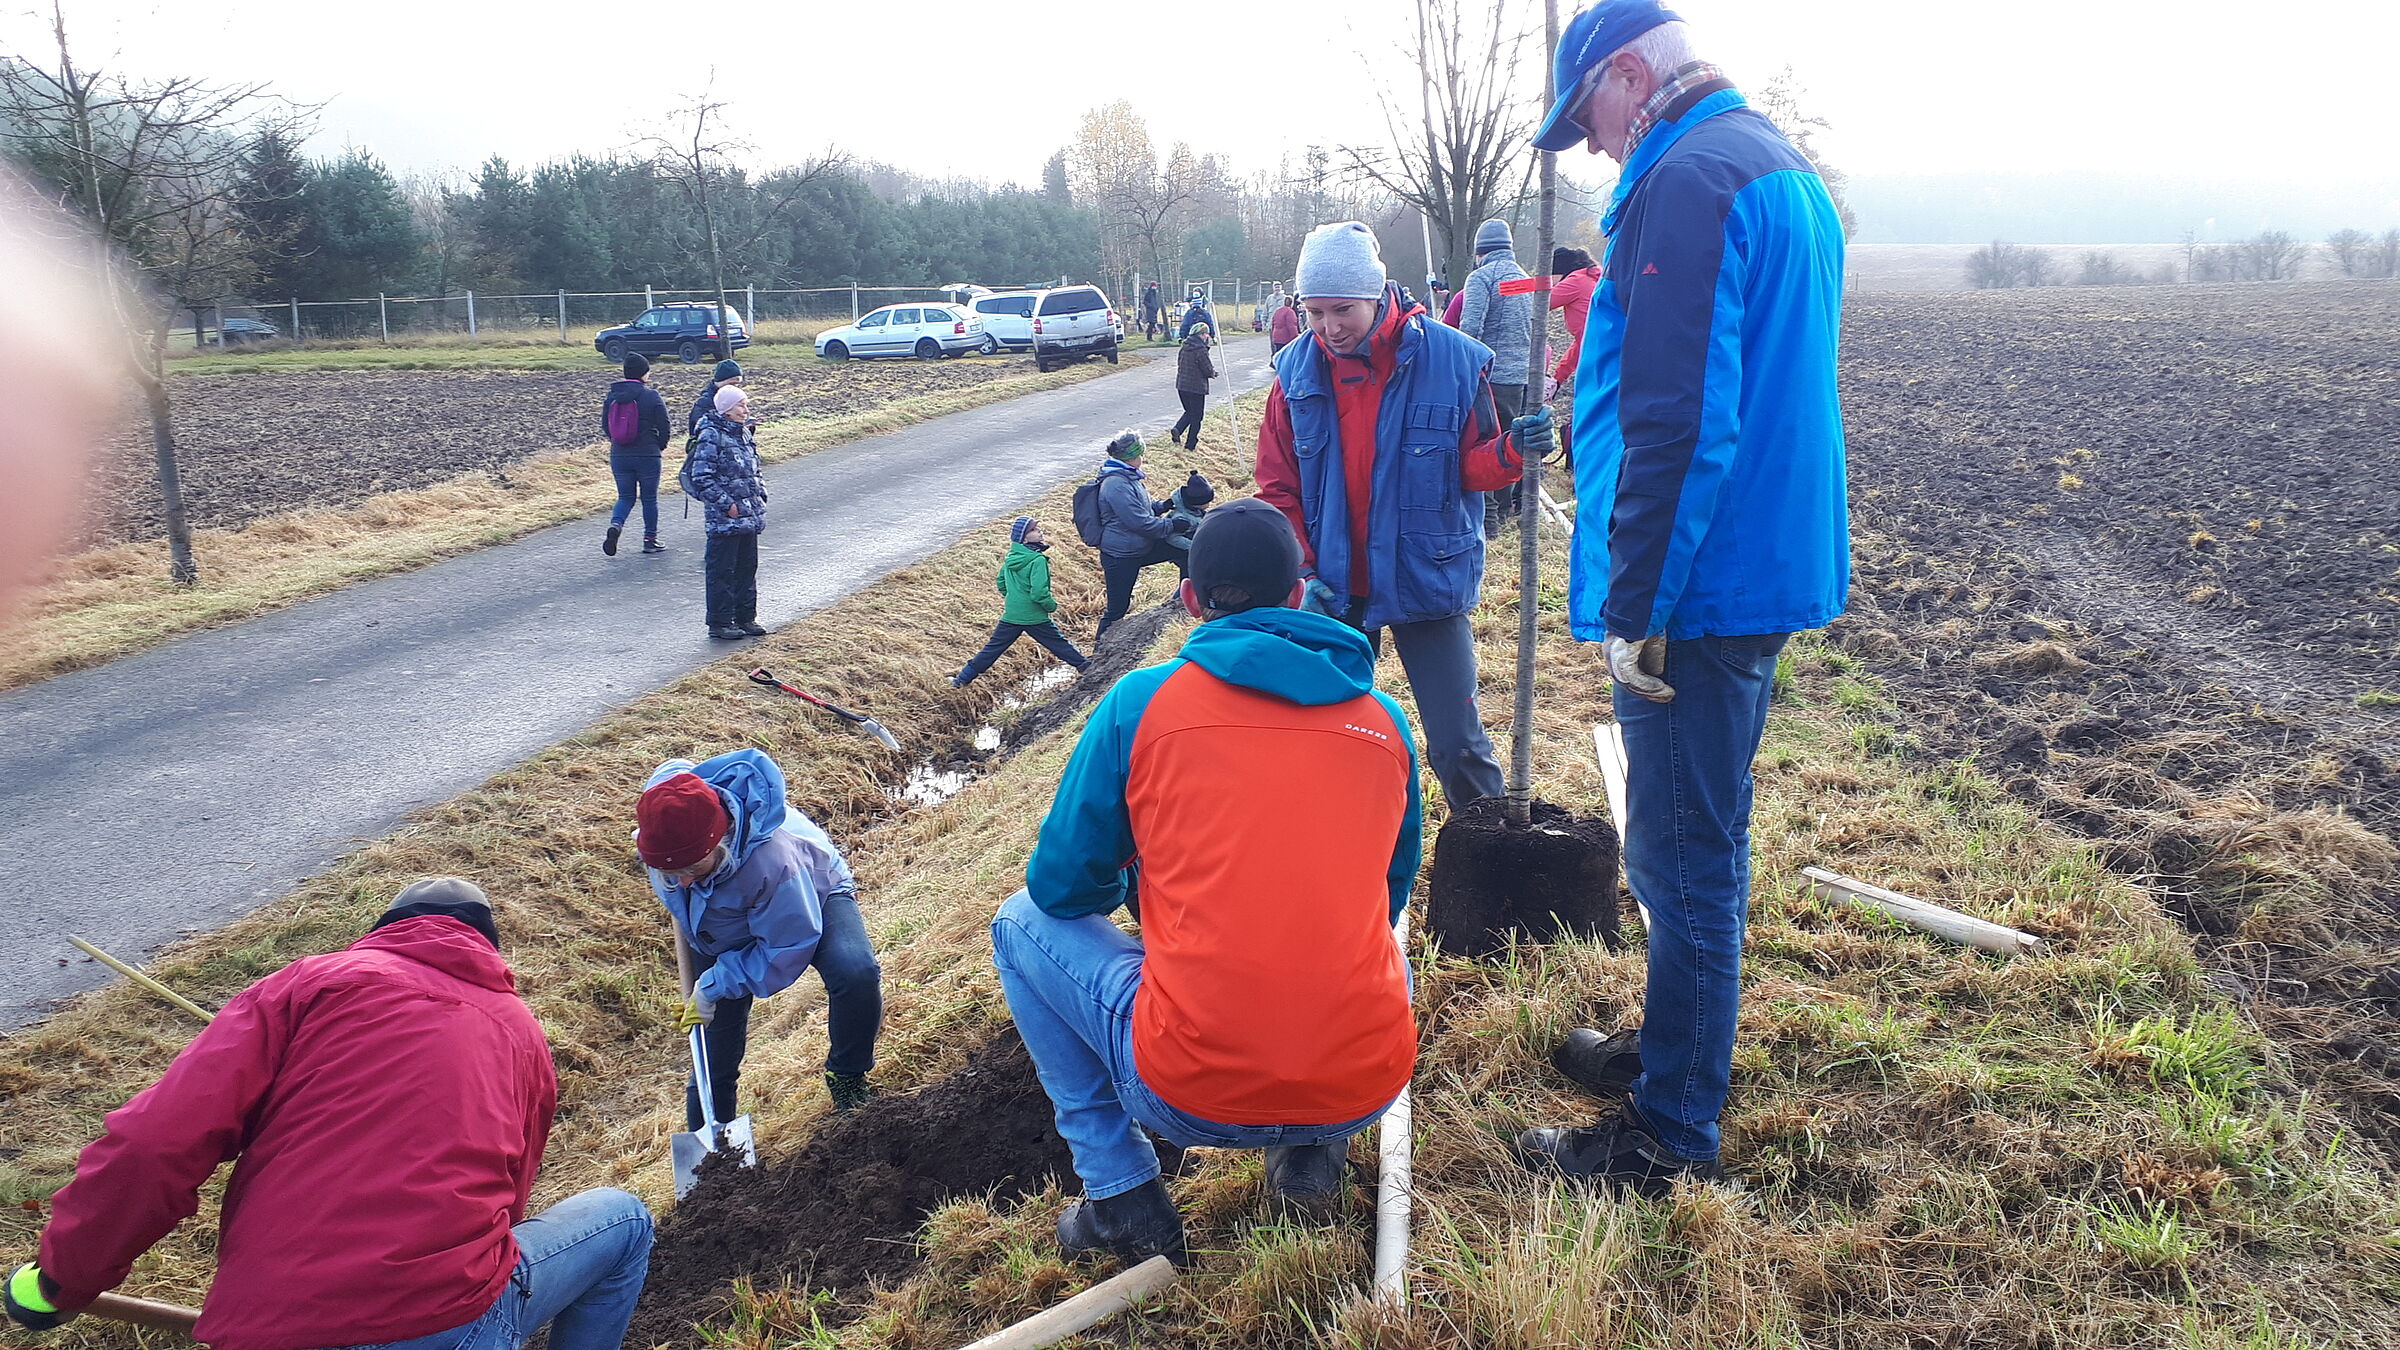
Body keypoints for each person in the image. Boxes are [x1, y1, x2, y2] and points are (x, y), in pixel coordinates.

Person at [1512, 0, 1850, 1195]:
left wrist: (1642, 606)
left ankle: (1670, 1136)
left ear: (1627, 74)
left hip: (1699, 592)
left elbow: (1679, 418)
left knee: (1686, 857)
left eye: (1587, 118)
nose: (1594, 146)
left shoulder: (1689, 181)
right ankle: (1674, 1050)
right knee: (1681, 842)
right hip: (1746, 569)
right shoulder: (1774, 165)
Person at [991, 500, 1422, 1265]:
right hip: (1365, 1082)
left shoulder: (1140, 703)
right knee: (1376, 951)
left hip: (1187, 1094)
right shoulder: (1384, 722)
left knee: (1018, 923)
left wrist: (1150, 888)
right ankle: (1312, 1151)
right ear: (1300, 594)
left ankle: (1120, 1195)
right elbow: (1385, 897)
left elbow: (1060, 889)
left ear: (1190, 599)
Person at [3, 880, 654, 1349]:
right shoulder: (522, 1035)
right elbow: (511, 1205)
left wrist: (64, 1278)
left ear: (383, 931)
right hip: (443, 1320)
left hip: (267, 1327)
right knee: (625, 1220)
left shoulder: (307, 985)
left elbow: (152, 1145)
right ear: (489, 952)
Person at [1255, 220, 1548, 809]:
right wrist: (1303, 574)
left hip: (1426, 579)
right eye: (1313, 312)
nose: (1328, 328)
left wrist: (1515, 452)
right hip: (1332, 590)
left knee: (1457, 744)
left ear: (1376, 294)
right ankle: (1341, 853)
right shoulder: (1293, 376)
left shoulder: (1453, 361)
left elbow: (1471, 467)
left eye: (1342, 309)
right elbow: (1276, 488)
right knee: (1324, 736)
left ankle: (1489, 851)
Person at [638, 750, 886, 1117]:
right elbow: (671, 769)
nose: (683, 882)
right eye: (668, 873)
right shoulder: (664, 826)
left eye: (692, 867)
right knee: (712, 1050)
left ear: (719, 840)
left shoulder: (775, 860)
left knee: (855, 971)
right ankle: (715, 1147)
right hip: (715, 919)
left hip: (807, 892)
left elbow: (785, 949)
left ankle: (847, 1075)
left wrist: (714, 983)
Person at [1458, 218, 1535, 534]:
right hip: (1520, 377)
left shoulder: (1481, 278)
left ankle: (1487, 521)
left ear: (1480, 251)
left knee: (1486, 444)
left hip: (1488, 378)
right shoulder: (1527, 280)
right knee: (1511, 445)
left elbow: (1470, 331)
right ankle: (1503, 513)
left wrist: (1458, 371)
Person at [953, 517, 1089, 687]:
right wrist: (1051, 606)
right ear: (1024, 538)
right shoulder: (1037, 560)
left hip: (1011, 614)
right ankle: (1086, 668)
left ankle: (961, 680)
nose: (1039, 532)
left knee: (992, 649)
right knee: (1058, 643)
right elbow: (1039, 593)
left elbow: (1001, 581)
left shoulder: (1012, 557)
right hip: (1034, 616)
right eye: (1033, 530)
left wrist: (1014, 599)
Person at [1091, 431, 1187, 641]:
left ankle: (1180, 602)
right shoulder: (1116, 484)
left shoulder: (1128, 476)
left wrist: (1164, 505)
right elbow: (1138, 522)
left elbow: (1144, 509)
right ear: (1134, 455)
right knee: (1117, 610)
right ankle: (1097, 657)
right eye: (1141, 453)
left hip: (1140, 546)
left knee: (1186, 550)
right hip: (1121, 554)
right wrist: (1171, 525)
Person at [690, 385, 767, 641]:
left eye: (745, 404)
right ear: (726, 410)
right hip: (725, 519)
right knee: (722, 571)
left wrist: (761, 495)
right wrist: (727, 504)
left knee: (747, 567)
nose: (746, 410)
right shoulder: (711, 435)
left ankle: (746, 617)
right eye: (740, 405)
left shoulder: (744, 434)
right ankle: (721, 622)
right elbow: (701, 477)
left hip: (750, 514)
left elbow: (754, 470)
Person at [601, 352, 672, 556]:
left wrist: (617, 443)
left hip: (619, 455)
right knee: (649, 498)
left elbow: (606, 425)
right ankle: (650, 540)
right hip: (648, 454)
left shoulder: (612, 396)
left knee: (625, 496)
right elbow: (664, 425)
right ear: (644, 374)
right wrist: (660, 445)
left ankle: (616, 525)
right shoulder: (651, 395)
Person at [1546, 245, 1604, 467]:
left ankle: (1582, 460)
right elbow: (1583, 340)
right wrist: (1558, 378)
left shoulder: (1575, 282)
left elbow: (1536, 305)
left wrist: (1509, 289)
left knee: (1590, 409)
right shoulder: (1590, 279)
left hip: (1598, 362)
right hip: (1602, 355)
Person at [1169, 322, 1217, 450]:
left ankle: (1178, 429)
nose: (1207, 336)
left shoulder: (1184, 347)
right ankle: (1190, 444)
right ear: (1201, 335)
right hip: (1196, 388)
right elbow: (1206, 368)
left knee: (1189, 412)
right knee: (1197, 416)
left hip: (1182, 386)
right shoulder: (1200, 349)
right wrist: (1213, 373)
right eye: (1206, 333)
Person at [687, 358, 742, 437]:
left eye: (738, 385)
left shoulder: (735, 398)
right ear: (719, 381)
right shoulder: (705, 403)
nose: (735, 388)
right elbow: (699, 431)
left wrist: (746, 427)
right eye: (731, 384)